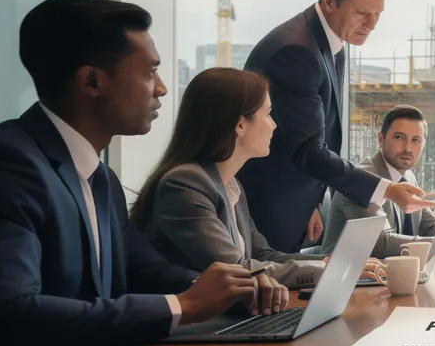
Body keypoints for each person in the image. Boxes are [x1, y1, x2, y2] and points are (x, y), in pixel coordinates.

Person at [0, 0, 259, 346]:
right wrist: (183, 306)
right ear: (91, 81)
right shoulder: (3, 164)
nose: (162, 89)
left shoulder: (101, 179)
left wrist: (231, 289)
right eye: (150, 72)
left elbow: (145, 271)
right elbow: (8, 313)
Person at [238, 0, 433, 254]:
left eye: (377, 14)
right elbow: (308, 149)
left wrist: (313, 202)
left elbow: (310, 134)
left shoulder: (330, 43)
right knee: (268, 293)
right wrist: (389, 190)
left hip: (294, 202)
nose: (371, 25)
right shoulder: (297, 50)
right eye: (361, 13)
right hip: (269, 205)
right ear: (329, 1)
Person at [132, 68, 384, 291]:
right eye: (268, 114)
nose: (274, 125)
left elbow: (264, 254)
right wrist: (331, 270)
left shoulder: (230, 185)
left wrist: (335, 261)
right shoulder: (185, 184)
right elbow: (238, 269)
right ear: (240, 125)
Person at [324, 105, 435, 258]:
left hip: (385, 274)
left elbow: (430, 227)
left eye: (415, 140)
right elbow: (379, 244)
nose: (407, 148)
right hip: (346, 279)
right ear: (381, 139)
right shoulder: (362, 179)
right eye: (399, 137)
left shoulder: (408, 177)